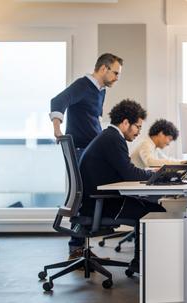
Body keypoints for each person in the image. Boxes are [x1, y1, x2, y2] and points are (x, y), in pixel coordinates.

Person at [79, 99, 165, 272]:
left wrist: (150, 173)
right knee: (156, 212)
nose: (139, 132)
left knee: (152, 207)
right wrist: (154, 174)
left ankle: (140, 262)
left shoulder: (109, 137)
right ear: (125, 122)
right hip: (102, 204)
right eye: (138, 127)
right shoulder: (113, 139)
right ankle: (142, 265)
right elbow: (130, 173)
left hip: (98, 202)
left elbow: (125, 171)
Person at [49, 53, 123, 256]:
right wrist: (57, 129)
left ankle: (88, 237)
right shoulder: (83, 85)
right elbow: (58, 100)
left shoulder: (101, 91)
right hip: (82, 150)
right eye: (115, 73)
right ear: (103, 69)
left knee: (105, 184)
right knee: (87, 193)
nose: (117, 77)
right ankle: (77, 246)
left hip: (93, 149)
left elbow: (92, 120)